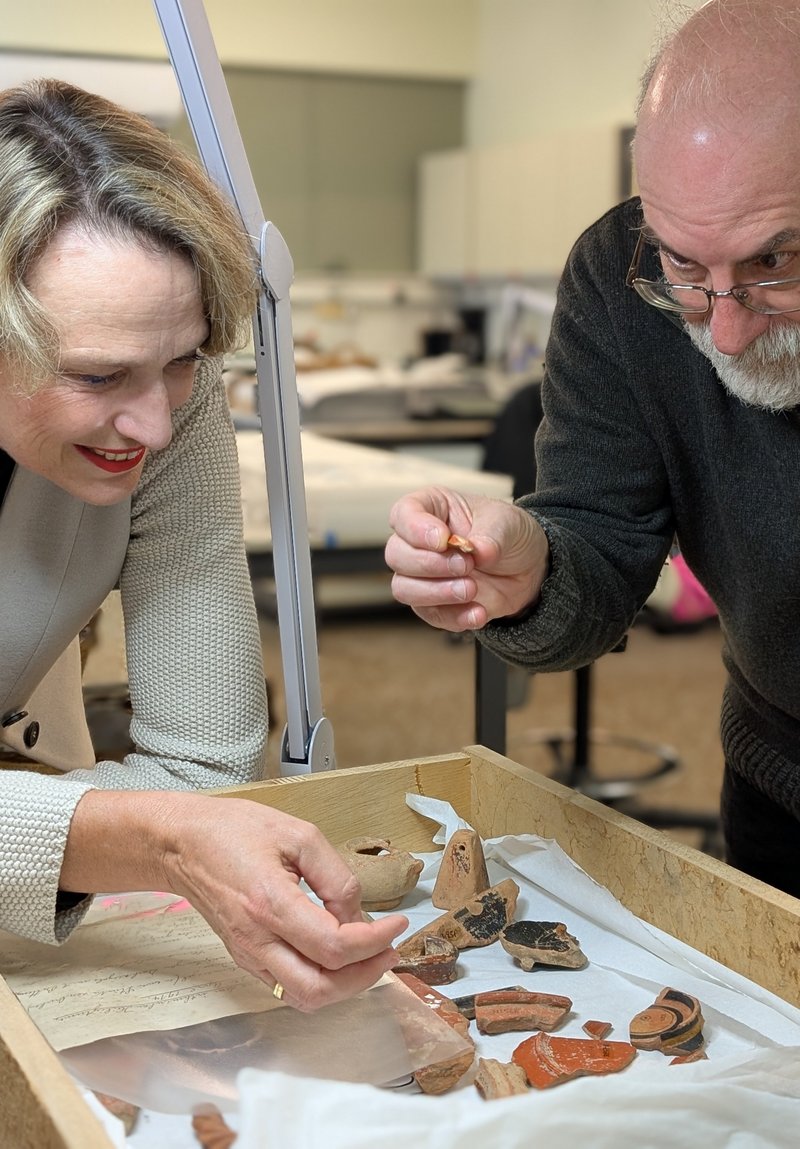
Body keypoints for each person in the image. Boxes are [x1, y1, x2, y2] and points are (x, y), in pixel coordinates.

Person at [0, 79, 404, 1010]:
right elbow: (177, 817)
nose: (150, 423)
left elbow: (207, 768)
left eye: (184, 360)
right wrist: (156, 838)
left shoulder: (168, 411)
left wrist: (132, 825)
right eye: (97, 374)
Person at [386, 0, 800, 898]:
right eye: (685, 269)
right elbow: (597, 545)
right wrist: (532, 567)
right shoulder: (619, 276)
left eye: (779, 262)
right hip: (781, 773)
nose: (724, 334)